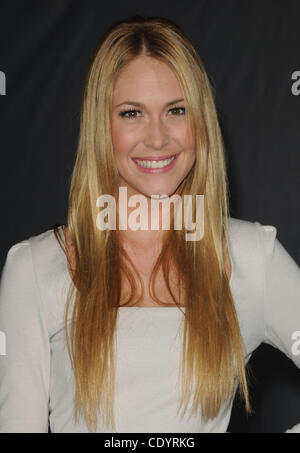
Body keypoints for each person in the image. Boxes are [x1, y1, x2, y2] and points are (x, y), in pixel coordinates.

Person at [0, 15, 299, 434]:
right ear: (101, 127)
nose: (156, 138)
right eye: (131, 113)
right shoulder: (33, 269)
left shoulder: (251, 256)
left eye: (176, 110)